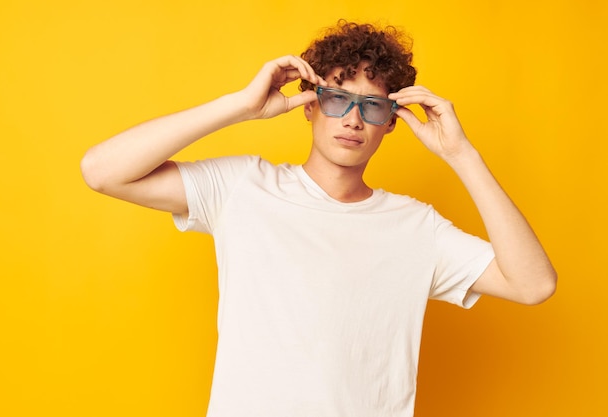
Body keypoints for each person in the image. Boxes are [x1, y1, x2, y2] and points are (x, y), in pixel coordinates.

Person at [81, 20, 556, 417]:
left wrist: (462, 155)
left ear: (391, 120)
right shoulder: (245, 187)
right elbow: (102, 171)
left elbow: (534, 284)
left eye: (371, 105)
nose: (352, 119)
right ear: (309, 104)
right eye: (336, 98)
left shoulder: (416, 228)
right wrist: (241, 107)